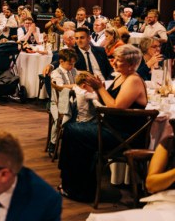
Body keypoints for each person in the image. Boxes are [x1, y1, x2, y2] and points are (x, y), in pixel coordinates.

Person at [58, 44, 148, 201]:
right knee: (71, 129)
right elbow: (108, 102)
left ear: (132, 64)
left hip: (124, 135)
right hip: (111, 128)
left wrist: (100, 88)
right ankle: (73, 184)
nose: (113, 63)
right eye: (114, 59)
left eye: (119, 61)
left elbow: (116, 107)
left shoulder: (133, 80)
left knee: (73, 132)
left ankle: (80, 190)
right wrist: (97, 88)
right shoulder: (121, 76)